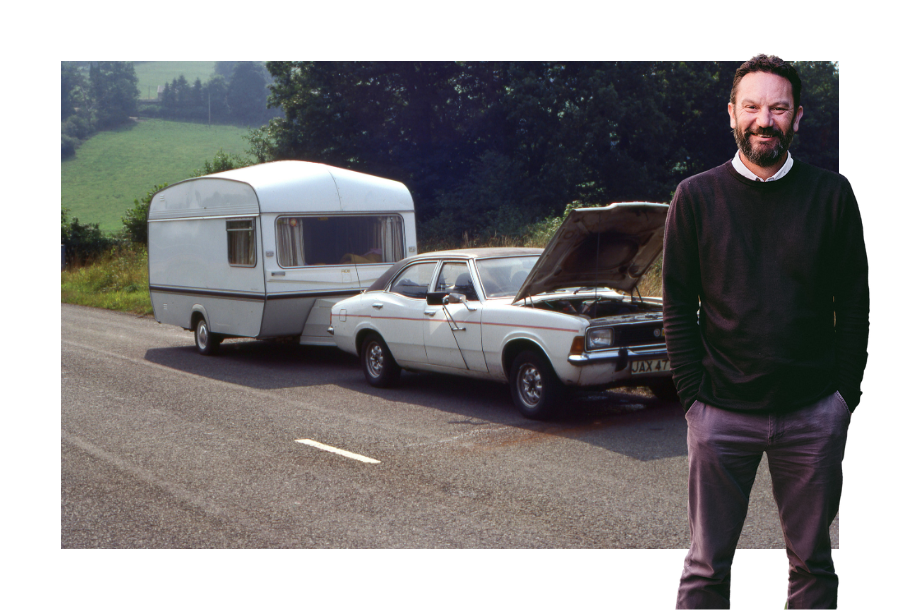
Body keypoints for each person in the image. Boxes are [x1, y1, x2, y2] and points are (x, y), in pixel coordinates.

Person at [662, 55, 869, 609]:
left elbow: (853, 301)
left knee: (812, 566)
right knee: (705, 568)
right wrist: (692, 395)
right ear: (731, 114)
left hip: (812, 413)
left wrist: (843, 394)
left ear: (797, 117)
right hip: (720, 412)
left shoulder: (832, 196)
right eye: (751, 106)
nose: (764, 119)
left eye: (778, 108)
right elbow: (677, 302)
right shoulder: (696, 197)